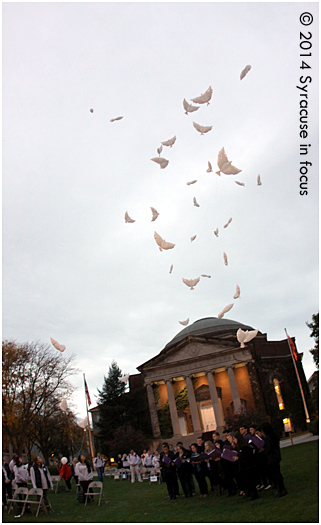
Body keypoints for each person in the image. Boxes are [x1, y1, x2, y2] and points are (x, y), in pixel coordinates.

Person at [261, 422, 287, 497]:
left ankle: (281, 489)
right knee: (278, 473)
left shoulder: (268, 438)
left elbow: (268, 449)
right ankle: (282, 488)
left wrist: (263, 450)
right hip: (276, 455)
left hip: (272, 457)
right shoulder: (274, 436)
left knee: (276, 474)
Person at [231, 431, 259, 501]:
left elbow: (247, 456)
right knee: (246, 481)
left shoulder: (245, 446)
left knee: (250, 481)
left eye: (234, 439)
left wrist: (238, 458)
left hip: (248, 466)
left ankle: (254, 494)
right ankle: (248, 493)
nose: (234, 441)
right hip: (243, 466)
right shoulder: (239, 447)